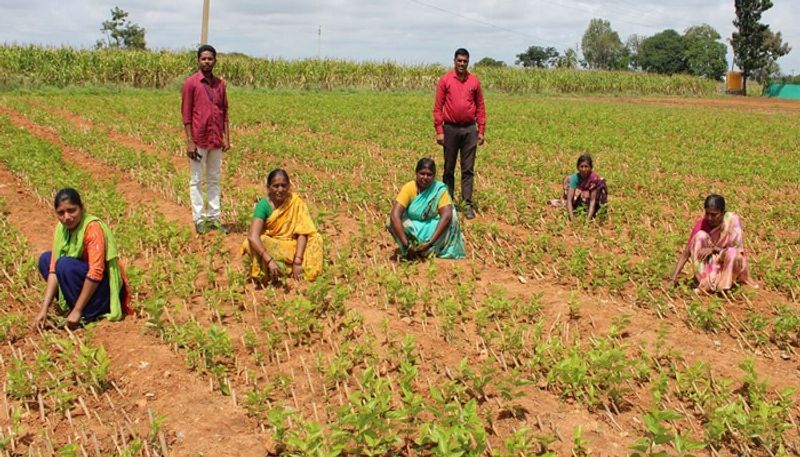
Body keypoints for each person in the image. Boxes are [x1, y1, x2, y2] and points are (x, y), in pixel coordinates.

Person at [33, 188, 132, 329]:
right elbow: (53, 271)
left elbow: (96, 272)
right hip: (81, 279)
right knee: (45, 260)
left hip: (102, 290)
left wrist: (77, 310)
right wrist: (44, 309)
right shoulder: (61, 229)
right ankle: (74, 306)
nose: (67, 217)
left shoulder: (92, 228)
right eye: (61, 213)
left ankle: (87, 312)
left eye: (71, 210)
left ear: (82, 208)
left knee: (64, 265)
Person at [242, 169, 324, 282]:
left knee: (316, 239)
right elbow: (252, 236)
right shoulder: (263, 205)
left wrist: (297, 261)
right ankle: (271, 271)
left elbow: (303, 232)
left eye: (283, 185)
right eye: (276, 186)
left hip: (293, 247)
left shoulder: (295, 202)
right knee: (251, 243)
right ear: (268, 187)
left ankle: (291, 268)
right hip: (273, 246)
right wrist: (269, 261)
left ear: (289, 186)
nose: (280, 190)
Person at [182, 44, 230, 234]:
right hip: (199, 139)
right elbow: (186, 114)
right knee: (196, 180)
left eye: (210, 58)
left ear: (215, 61)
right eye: (204, 58)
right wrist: (190, 140)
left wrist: (226, 136)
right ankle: (199, 218)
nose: (207, 62)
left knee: (214, 179)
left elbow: (225, 112)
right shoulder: (191, 83)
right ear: (198, 60)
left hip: (216, 138)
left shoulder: (220, 85)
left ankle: (214, 218)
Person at [433, 48, 486, 220]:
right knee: (448, 168)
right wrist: (439, 131)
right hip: (450, 129)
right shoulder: (445, 80)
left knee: (468, 169)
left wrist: (481, 130)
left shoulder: (474, 81)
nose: (462, 64)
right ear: (454, 61)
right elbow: (437, 107)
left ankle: (467, 204)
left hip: (470, 129)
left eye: (465, 61)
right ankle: (447, 204)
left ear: (468, 62)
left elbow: (480, 107)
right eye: (459, 60)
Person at [670, 194, 755, 293]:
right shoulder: (702, 225)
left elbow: (737, 250)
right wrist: (673, 278)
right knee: (700, 236)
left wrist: (714, 249)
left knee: (732, 253)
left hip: (731, 266)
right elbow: (686, 253)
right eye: (707, 214)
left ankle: (723, 287)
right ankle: (706, 282)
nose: (710, 218)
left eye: (714, 215)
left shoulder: (732, 221)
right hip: (712, 268)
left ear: (722, 212)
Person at [388, 158, 466, 259]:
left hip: (432, 228)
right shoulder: (409, 188)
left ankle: (435, 250)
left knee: (453, 217)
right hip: (414, 227)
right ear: (416, 173)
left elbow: (446, 216)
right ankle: (410, 250)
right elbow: (395, 215)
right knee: (391, 222)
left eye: (429, 175)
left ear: (434, 176)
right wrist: (407, 245)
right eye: (422, 173)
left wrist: (430, 243)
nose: (425, 177)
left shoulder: (438, 189)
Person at [562, 154, 608, 221]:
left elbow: (592, 201)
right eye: (581, 166)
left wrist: (588, 220)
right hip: (583, 195)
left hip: (595, 196)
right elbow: (569, 199)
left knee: (588, 194)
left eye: (586, 166)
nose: (584, 169)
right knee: (569, 190)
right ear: (578, 168)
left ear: (590, 168)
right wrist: (572, 219)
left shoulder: (593, 178)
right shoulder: (574, 178)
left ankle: (593, 210)